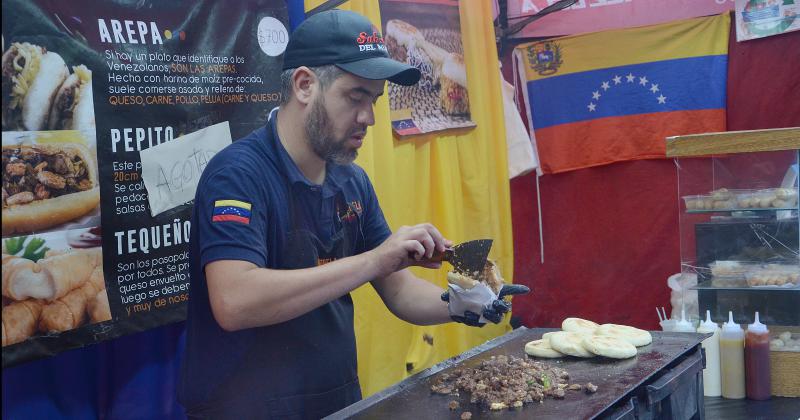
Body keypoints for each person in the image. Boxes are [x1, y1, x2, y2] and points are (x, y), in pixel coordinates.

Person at [178, 9, 528, 419]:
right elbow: (234, 301)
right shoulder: (238, 175)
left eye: (375, 99)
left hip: (337, 402)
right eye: (355, 96)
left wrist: (466, 303)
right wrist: (374, 259)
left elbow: (399, 291)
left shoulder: (351, 181)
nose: (369, 118)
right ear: (305, 85)